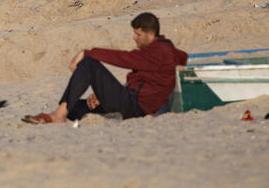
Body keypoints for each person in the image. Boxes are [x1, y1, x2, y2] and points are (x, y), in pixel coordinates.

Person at [23, 12, 187, 124]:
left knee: (89, 64)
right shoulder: (155, 51)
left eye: (138, 35)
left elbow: (126, 59)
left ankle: (58, 115)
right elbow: (141, 80)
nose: (134, 38)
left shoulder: (161, 52)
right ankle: (63, 113)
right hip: (129, 99)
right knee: (76, 107)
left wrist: (88, 52)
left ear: (150, 35)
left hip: (135, 107)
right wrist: (103, 94)